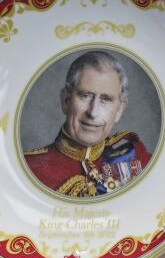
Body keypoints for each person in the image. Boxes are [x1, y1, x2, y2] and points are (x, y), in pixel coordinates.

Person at [24, 50, 152, 197]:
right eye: (85, 96)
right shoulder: (29, 168)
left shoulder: (136, 157)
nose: (93, 112)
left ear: (119, 110)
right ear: (65, 100)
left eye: (106, 99)